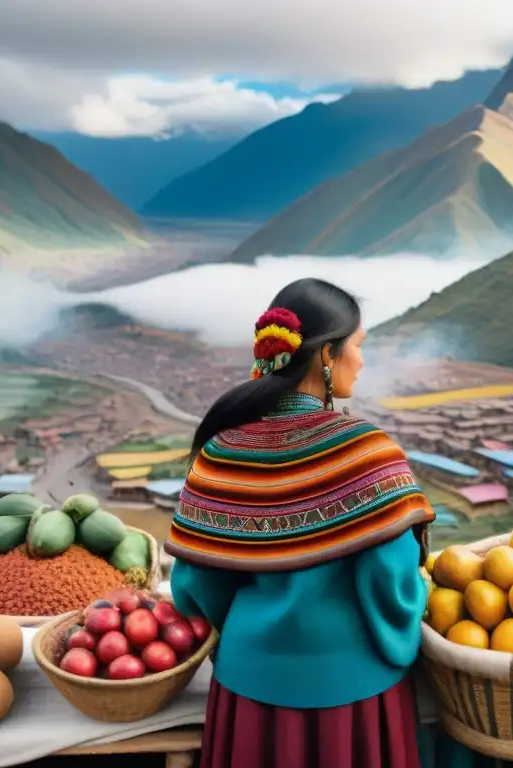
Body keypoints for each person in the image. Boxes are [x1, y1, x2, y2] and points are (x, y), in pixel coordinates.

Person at [167, 278, 435, 768]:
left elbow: (195, 584)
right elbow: (391, 584)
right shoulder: (366, 453)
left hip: (249, 689)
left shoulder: (220, 452)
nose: (363, 360)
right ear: (327, 356)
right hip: (352, 691)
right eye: (358, 346)